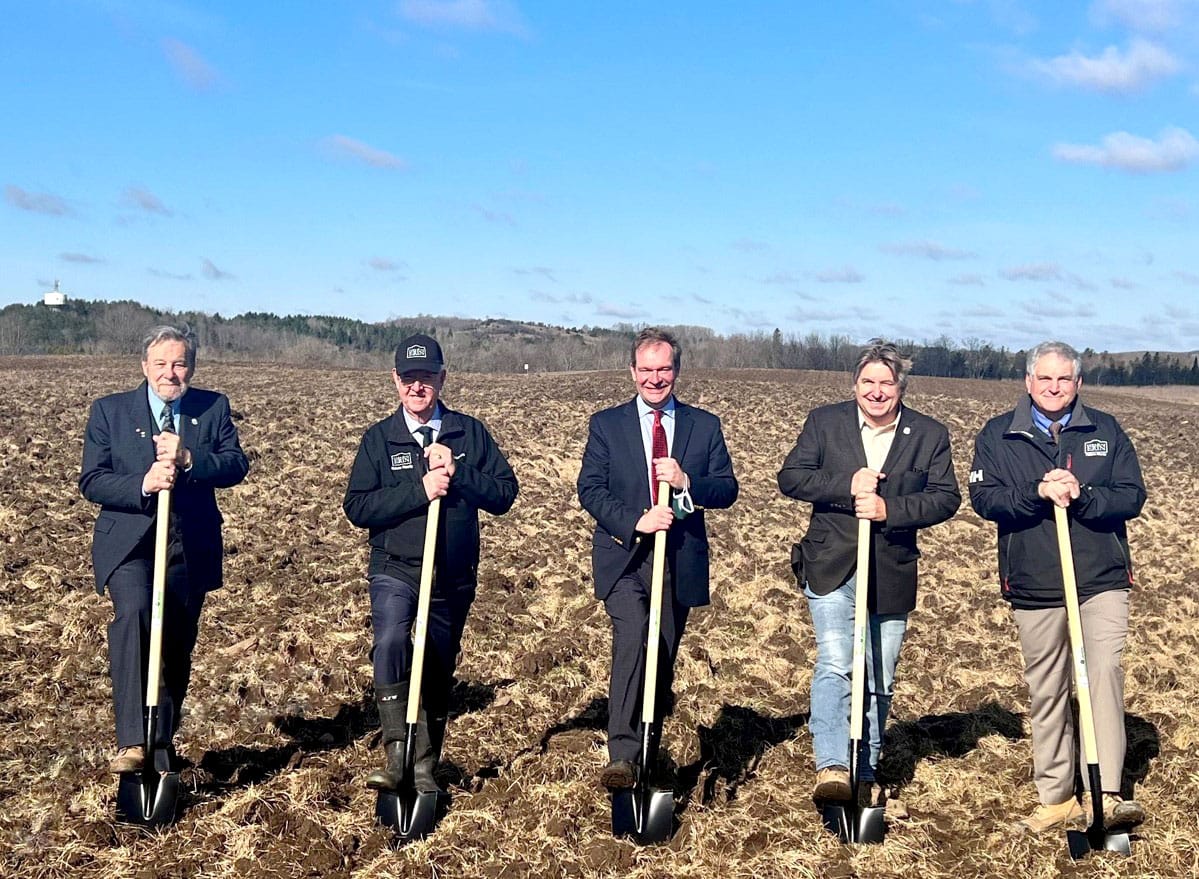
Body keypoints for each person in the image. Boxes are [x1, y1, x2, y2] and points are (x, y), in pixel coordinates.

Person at [970, 340, 1146, 832]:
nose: (1053, 388)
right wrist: (1036, 492)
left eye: (1063, 379)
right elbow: (983, 497)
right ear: (1028, 382)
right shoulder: (1000, 435)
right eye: (1044, 379)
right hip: (1033, 579)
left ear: (1078, 383)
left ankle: (1106, 794)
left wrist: (1082, 494)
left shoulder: (1104, 432)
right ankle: (1057, 796)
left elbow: (1132, 495)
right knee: (1047, 688)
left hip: (1100, 579)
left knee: (1102, 674)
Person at [778, 339, 959, 806]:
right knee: (837, 664)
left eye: (886, 383)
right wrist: (845, 486)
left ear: (901, 386)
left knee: (879, 675)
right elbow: (791, 476)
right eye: (867, 382)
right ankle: (833, 766)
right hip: (831, 564)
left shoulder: (928, 433)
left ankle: (866, 768)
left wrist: (889, 510)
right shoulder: (825, 422)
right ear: (854, 384)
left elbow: (945, 497)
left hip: (891, 570)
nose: (876, 391)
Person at [344, 333, 518, 793]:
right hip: (396, 567)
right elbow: (358, 507)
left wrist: (460, 473)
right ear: (394, 380)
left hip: (453, 572)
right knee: (391, 640)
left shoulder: (469, 433)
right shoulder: (380, 440)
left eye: (425, 377)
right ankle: (397, 748)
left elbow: (504, 494)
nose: (416, 387)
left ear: (442, 378)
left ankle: (425, 765)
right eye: (408, 378)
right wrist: (419, 490)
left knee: (438, 664)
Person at [80, 325, 249, 773]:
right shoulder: (110, 412)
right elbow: (91, 480)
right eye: (161, 364)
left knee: (176, 641)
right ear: (144, 367)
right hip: (130, 543)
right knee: (135, 614)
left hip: (187, 542)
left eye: (179, 364)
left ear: (190, 367)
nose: (170, 373)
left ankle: (161, 742)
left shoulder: (212, 408)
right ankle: (132, 741)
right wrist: (143, 482)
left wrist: (190, 458)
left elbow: (236, 464)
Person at [577, 327, 738, 789]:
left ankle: (649, 748)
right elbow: (590, 489)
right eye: (645, 370)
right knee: (634, 636)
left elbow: (727, 488)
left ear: (677, 371)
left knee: (662, 655)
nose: (654, 378)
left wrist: (688, 480)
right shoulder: (607, 425)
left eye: (663, 369)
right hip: (625, 557)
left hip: (678, 558)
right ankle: (623, 755)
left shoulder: (702, 425)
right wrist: (636, 520)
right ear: (632, 372)